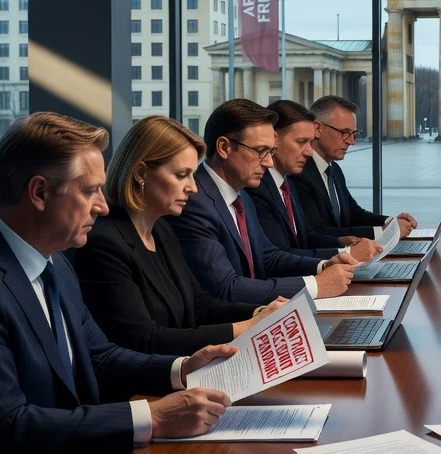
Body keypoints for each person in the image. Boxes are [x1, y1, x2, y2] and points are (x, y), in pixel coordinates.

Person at [0, 112, 236, 454]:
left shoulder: (52, 259)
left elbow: (99, 356)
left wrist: (181, 370)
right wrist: (151, 416)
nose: (103, 207)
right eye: (90, 191)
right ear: (40, 193)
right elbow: (5, 429)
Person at [74, 116, 291, 355]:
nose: (193, 187)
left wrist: (260, 312)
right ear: (140, 173)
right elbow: (143, 339)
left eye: (192, 174)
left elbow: (200, 306)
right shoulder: (104, 243)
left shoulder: (162, 228)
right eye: (181, 175)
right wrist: (247, 327)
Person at [167, 99, 356, 304]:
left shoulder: (241, 194)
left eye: (271, 151)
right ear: (224, 147)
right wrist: (316, 285)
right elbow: (227, 288)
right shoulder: (193, 203)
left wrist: (323, 266)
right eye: (260, 151)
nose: (268, 162)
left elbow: (269, 257)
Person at [249, 100, 381, 263]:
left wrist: (341, 242)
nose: (309, 152)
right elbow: (278, 256)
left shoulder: (286, 183)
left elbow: (307, 235)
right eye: (301, 142)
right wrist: (346, 253)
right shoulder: (257, 187)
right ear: (273, 140)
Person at [295, 95, 418, 240]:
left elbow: (354, 214)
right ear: (317, 128)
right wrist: (382, 232)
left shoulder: (334, 169)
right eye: (345, 133)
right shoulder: (298, 172)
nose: (352, 142)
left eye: (353, 134)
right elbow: (318, 232)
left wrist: (390, 223)